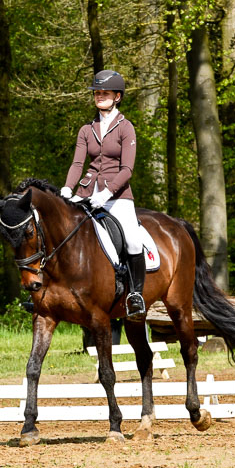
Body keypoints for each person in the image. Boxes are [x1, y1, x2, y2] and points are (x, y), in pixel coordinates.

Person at [60, 70, 146, 320]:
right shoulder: (86, 129)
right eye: (97, 93)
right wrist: (67, 189)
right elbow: (77, 164)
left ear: (117, 97)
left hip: (118, 196)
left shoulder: (126, 128)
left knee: (133, 240)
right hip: (87, 192)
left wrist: (107, 193)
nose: (99, 96)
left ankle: (136, 295)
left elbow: (127, 169)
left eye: (104, 93)